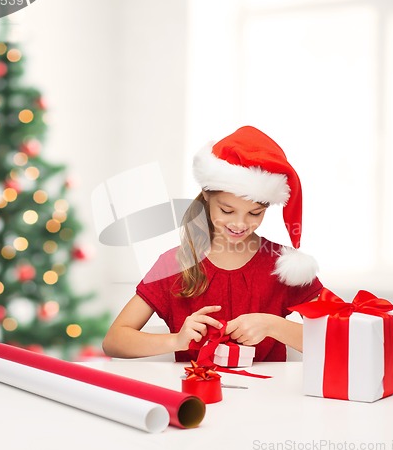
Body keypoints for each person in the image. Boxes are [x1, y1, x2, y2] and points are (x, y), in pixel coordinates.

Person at [102, 126, 323, 362]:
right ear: (206, 195)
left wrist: (273, 326)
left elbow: (342, 339)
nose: (240, 224)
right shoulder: (175, 264)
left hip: (267, 395)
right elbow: (114, 341)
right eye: (227, 210)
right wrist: (177, 340)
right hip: (195, 396)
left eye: (255, 213)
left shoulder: (283, 264)